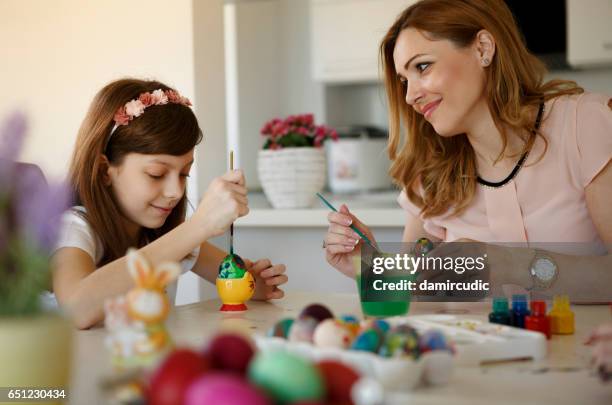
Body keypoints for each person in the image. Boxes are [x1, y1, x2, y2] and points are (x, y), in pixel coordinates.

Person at [324, 0, 611, 301]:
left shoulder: (587, 125)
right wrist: (368, 266)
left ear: (483, 49)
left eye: (423, 66)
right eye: (404, 81)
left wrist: (504, 263)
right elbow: (417, 287)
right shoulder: (431, 172)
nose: (409, 96)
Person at [52, 78, 287, 329]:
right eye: (156, 174)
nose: (175, 192)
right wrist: (197, 227)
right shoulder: (73, 229)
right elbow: (76, 310)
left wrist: (256, 283)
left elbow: (237, 282)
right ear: (104, 170)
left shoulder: (164, 237)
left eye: (184, 173)